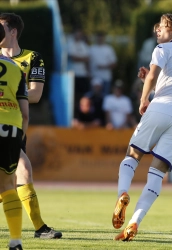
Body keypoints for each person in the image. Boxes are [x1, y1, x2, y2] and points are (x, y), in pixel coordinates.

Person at [112, 13, 172, 241]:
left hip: (160, 108)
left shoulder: (162, 49)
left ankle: (122, 194)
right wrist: (149, 82)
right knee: (157, 174)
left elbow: (153, 75)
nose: (157, 30)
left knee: (132, 155)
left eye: (163, 26)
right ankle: (134, 222)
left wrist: (143, 98)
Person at [0, 13, 62, 239]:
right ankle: (39, 228)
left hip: (13, 125)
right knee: (18, 174)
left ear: (13, 31)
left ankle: (39, 229)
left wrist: (12, 90)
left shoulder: (32, 58)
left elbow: (35, 94)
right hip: (9, 125)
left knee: (19, 173)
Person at [0, 22, 28, 250]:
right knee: (9, 184)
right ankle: (16, 241)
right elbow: (25, 113)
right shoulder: (16, 68)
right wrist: (19, 139)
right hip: (10, 128)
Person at [67, 28, 91, 110]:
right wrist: (83, 59)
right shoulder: (70, 44)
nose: (79, 36)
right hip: (73, 74)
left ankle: (82, 113)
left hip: (83, 74)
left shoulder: (83, 44)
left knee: (83, 96)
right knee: (74, 95)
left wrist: (88, 72)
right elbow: (73, 58)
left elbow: (88, 59)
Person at [89, 31, 117, 97]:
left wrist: (103, 67)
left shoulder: (109, 49)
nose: (100, 39)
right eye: (98, 38)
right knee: (93, 96)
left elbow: (114, 64)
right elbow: (87, 62)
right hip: (94, 77)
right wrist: (88, 73)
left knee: (105, 96)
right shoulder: (91, 49)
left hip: (106, 77)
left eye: (101, 38)